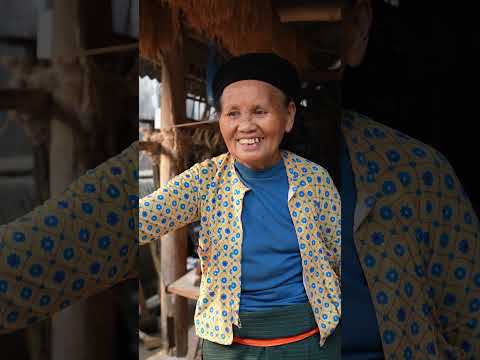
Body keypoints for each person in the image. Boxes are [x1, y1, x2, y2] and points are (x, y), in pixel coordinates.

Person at [140, 53, 342, 359]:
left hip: (309, 339)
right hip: (228, 345)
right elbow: (141, 219)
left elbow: (343, 255)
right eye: (232, 113)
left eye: (260, 111)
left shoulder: (314, 180)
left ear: (288, 116)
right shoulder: (206, 180)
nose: (245, 125)